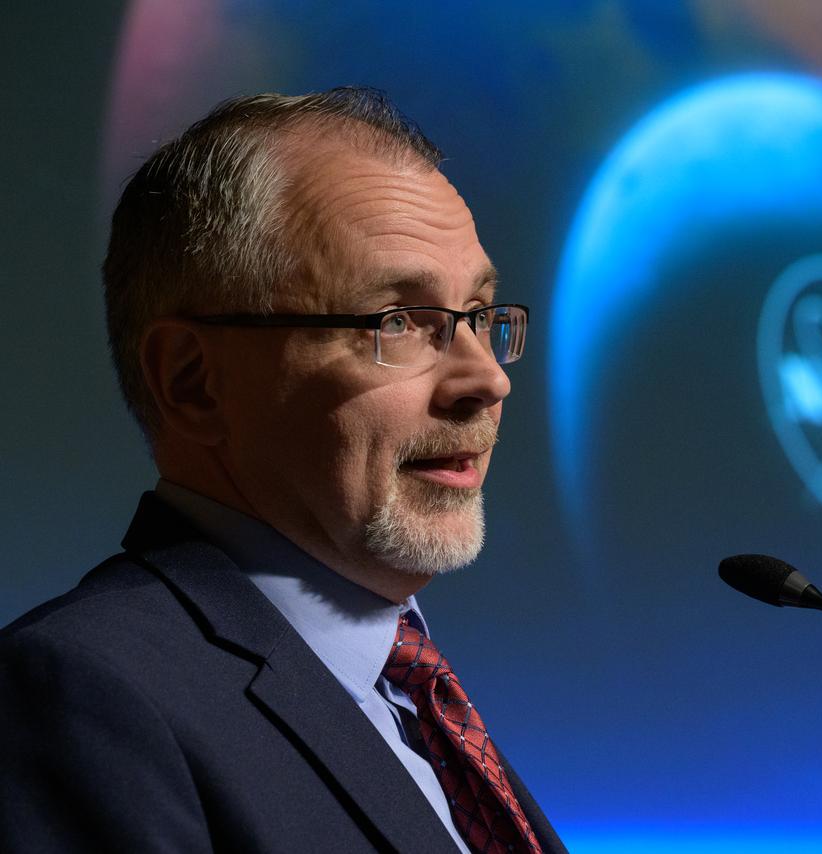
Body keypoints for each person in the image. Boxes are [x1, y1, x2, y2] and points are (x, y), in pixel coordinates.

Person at [0, 87, 565, 854]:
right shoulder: (83, 698)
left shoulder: (414, 693)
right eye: (398, 322)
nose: (487, 381)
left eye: (479, 316)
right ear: (193, 381)